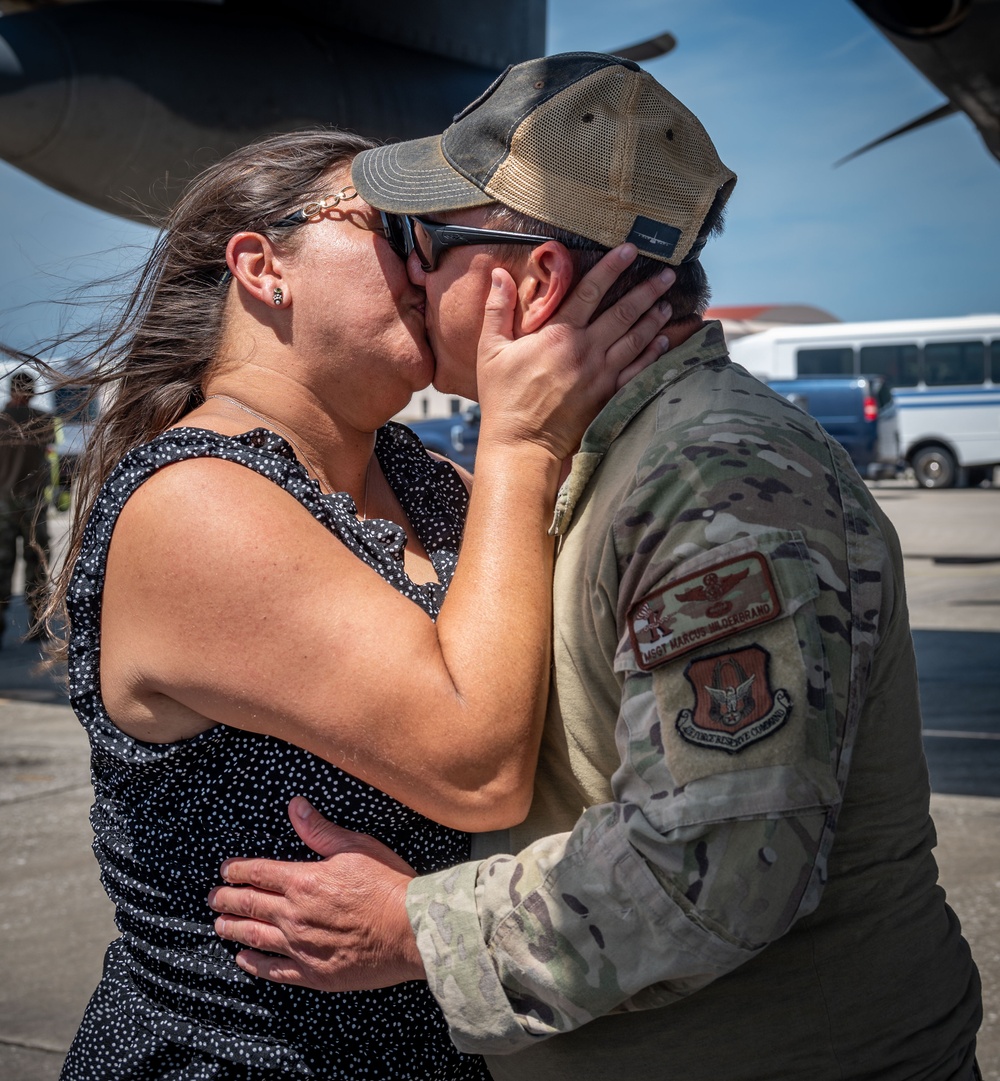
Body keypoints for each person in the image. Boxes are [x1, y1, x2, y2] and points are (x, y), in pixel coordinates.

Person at [208, 53, 984, 1080]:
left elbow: (708, 871)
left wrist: (413, 929)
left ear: (529, 281)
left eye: (425, 242)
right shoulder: (603, 455)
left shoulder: (711, 483)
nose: (409, 274)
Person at [45, 124, 674, 1081]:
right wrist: (523, 448)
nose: (431, 266)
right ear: (264, 267)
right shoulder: (192, 503)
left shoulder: (417, 478)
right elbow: (476, 765)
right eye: (395, 227)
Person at [0, 371, 55, 645]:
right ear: (32, 392)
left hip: (2, 503)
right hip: (34, 503)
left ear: (11, 391)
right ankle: (37, 626)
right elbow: (49, 455)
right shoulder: (44, 420)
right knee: (37, 564)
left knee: (1, 566)